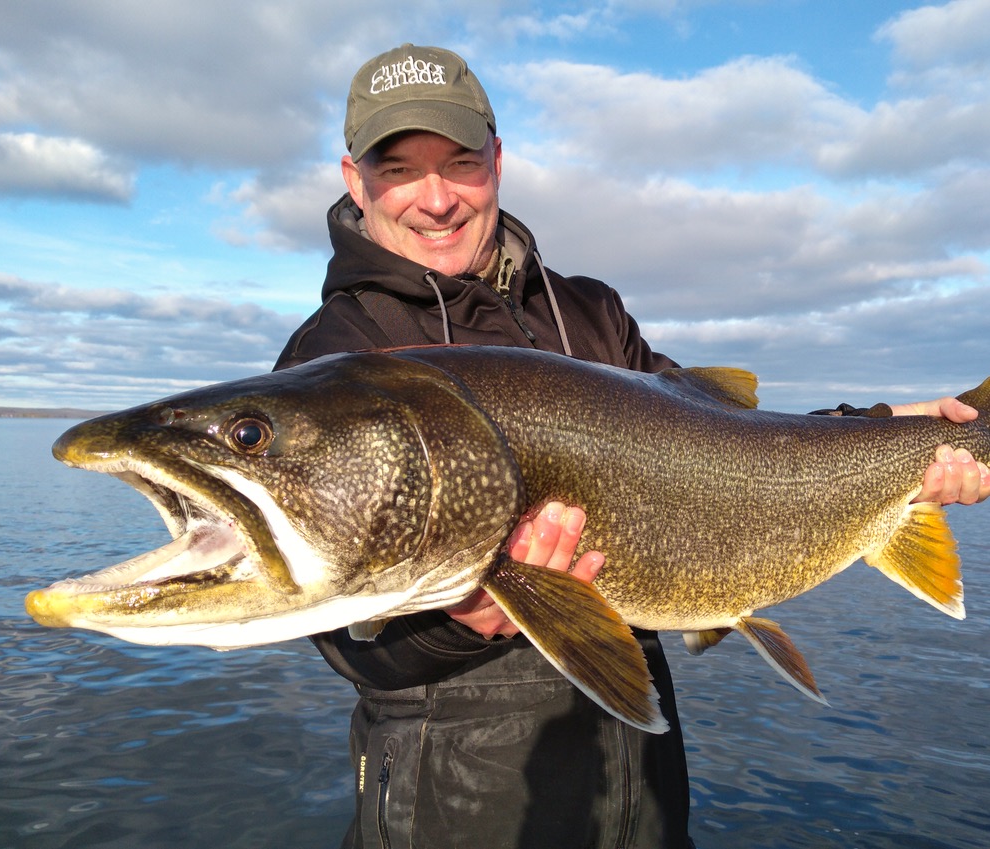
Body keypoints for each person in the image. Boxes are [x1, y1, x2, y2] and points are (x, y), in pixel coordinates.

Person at [273, 44, 990, 849]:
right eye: (398, 167)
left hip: (643, 795)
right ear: (353, 177)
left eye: (461, 162)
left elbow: (723, 441)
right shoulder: (332, 363)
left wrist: (890, 423)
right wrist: (464, 620)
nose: (435, 198)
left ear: (497, 162)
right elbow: (342, 641)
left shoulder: (588, 311)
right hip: (457, 806)